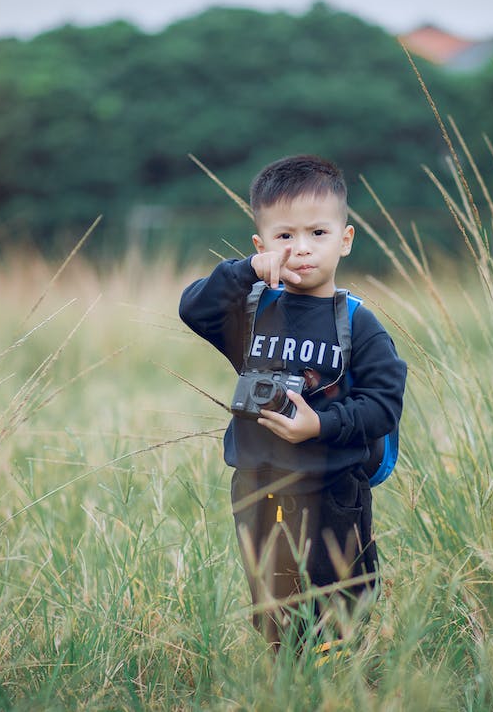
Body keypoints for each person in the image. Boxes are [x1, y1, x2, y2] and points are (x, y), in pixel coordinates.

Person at [178, 155, 407, 652]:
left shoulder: (358, 323)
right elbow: (192, 308)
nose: (301, 249)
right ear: (262, 245)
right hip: (257, 486)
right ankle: (289, 680)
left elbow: (383, 407)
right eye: (284, 237)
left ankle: (336, 680)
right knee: (275, 611)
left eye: (318, 233)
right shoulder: (252, 310)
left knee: (340, 606)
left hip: (332, 490)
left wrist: (320, 425)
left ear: (344, 240)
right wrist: (245, 273)